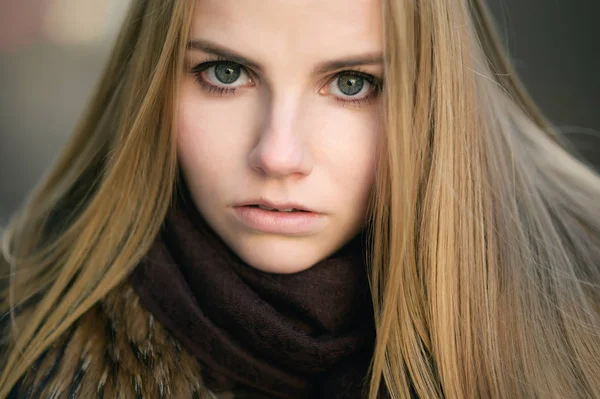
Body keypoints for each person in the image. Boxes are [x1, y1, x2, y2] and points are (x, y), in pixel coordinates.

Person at [1, 0, 599, 397]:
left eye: (352, 83)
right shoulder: (23, 340)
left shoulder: (584, 320)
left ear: (438, 98)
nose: (278, 155)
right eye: (226, 73)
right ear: (150, 83)